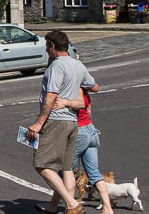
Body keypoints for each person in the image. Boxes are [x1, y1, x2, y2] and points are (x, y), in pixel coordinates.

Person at [26, 30, 96, 214]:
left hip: (56, 121)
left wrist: (39, 123)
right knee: (67, 168)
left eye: (47, 46)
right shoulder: (78, 65)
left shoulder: (56, 66)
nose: (46, 49)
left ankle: (71, 204)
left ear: (53, 46)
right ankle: (61, 207)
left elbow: (51, 95)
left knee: (42, 164)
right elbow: (94, 86)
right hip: (73, 122)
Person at [37, 86, 113, 214]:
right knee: (94, 174)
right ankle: (107, 208)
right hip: (90, 129)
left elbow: (76, 107)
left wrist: (65, 103)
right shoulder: (86, 91)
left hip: (79, 131)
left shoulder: (75, 90)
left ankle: (68, 207)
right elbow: (88, 110)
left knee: (66, 171)